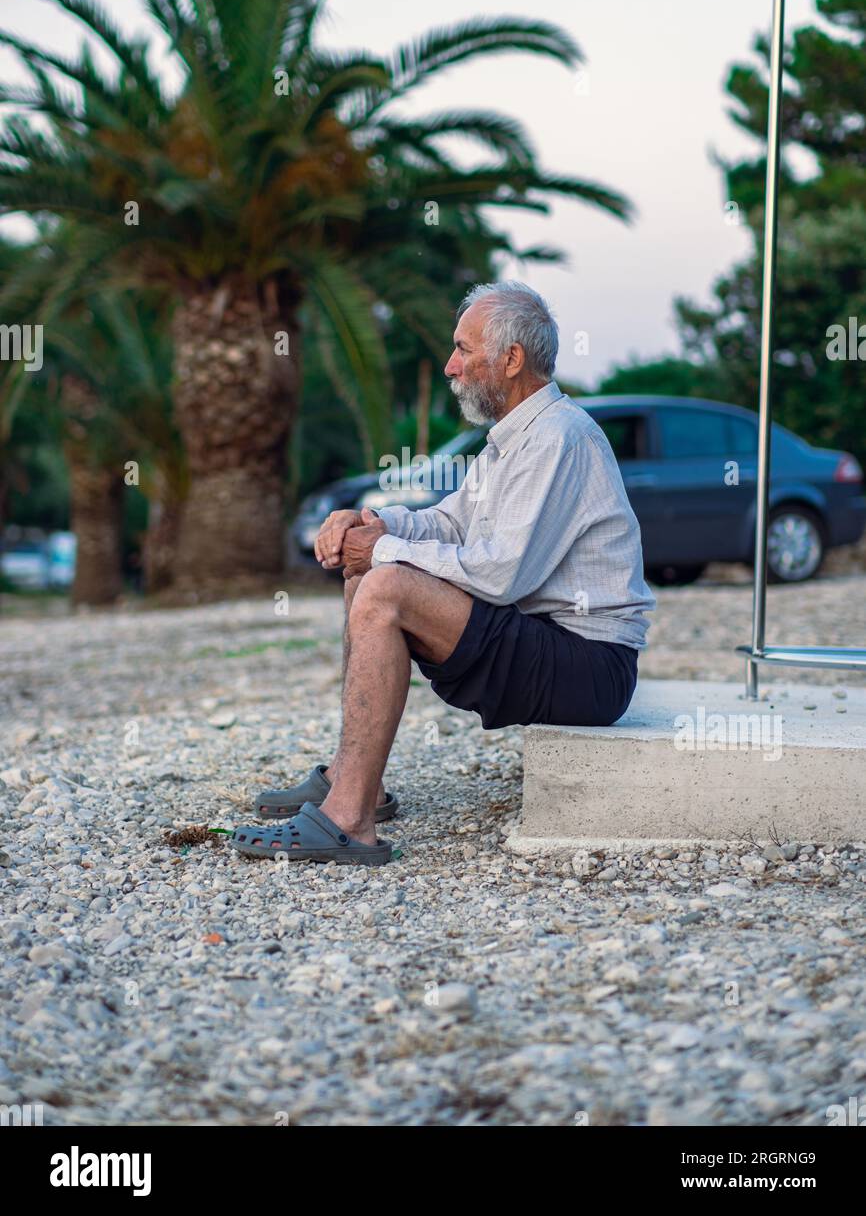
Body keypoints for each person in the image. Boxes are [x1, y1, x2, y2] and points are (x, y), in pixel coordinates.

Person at [231, 281, 656, 865]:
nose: (450, 365)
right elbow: (446, 525)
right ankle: (358, 786)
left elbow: (502, 575)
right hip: (548, 645)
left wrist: (381, 555)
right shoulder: (510, 443)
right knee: (367, 578)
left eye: (463, 349)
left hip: (589, 665)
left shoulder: (561, 438)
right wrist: (371, 522)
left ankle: (348, 823)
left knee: (383, 585)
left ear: (511, 360)